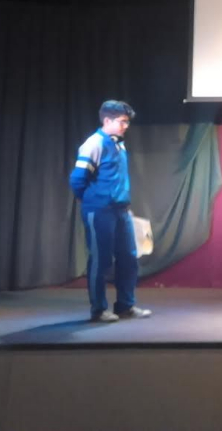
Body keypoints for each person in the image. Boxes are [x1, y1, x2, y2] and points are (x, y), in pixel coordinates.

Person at [69, 100, 152, 323]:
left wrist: (123, 205)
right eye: (122, 122)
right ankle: (98, 310)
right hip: (100, 211)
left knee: (128, 258)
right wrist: (94, 201)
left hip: (121, 210)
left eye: (127, 122)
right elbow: (77, 179)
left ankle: (125, 306)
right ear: (107, 120)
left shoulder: (119, 144)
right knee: (101, 260)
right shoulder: (94, 143)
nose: (126, 126)